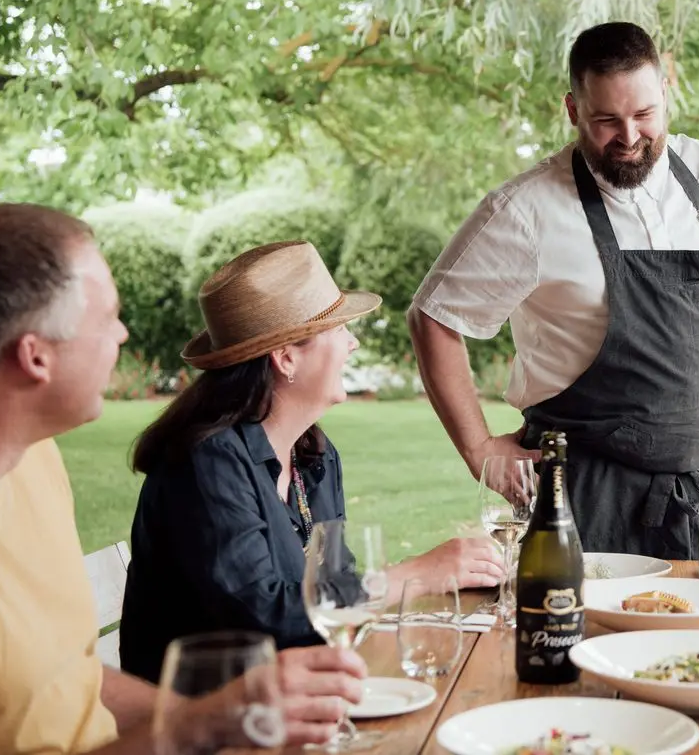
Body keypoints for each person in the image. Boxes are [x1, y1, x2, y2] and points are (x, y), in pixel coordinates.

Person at [0, 205, 364, 755]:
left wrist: (225, 719)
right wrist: (198, 725)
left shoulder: (33, 462)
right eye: (107, 317)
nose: (122, 333)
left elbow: (71, 678)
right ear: (35, 356)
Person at [407, 21, 699, 559]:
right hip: (581, 497)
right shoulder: (525, 209)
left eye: (644, 115)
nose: (629, 137)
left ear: (664, 96)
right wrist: (479, 449)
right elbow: (434, 317)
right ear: (573, 110)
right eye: (607, 120)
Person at [120, 241, 504, 683]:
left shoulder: (312, 455)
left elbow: (334, 588)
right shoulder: (206, 464)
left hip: (289, 694)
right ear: (285, 357)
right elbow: (261, 619)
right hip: (207, 721)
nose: (353, 342)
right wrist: (413, 575)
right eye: (339, 329)